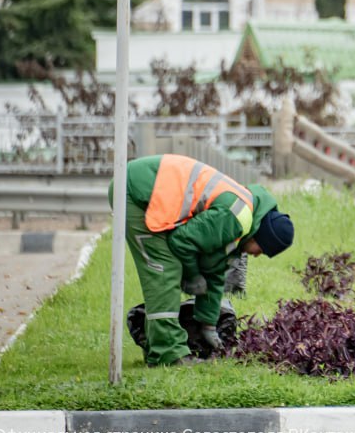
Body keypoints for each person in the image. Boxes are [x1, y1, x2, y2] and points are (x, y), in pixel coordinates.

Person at [109, 154, 295, 366]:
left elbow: (214, 270)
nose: (256, 255)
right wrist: (193, 275)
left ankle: (158, 348)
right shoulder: (234, 217)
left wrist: (208, 325)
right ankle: (169, 354)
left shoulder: (242, 224)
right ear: (260, 236)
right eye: (261, 250)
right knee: (164, 268)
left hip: (148, 189)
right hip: (135, 190)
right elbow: (181, 242)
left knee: (169, 267)